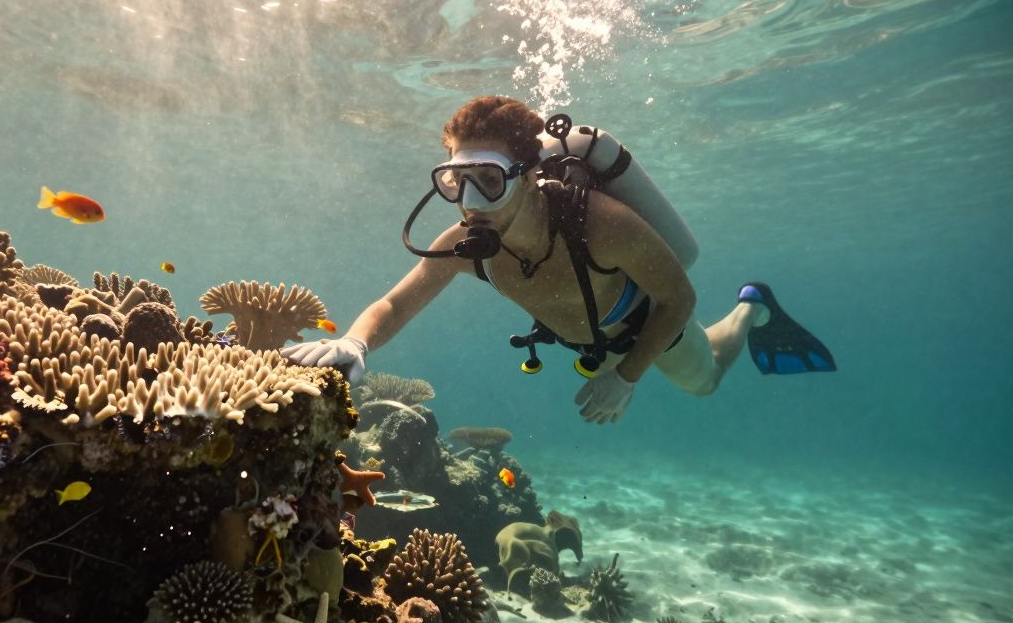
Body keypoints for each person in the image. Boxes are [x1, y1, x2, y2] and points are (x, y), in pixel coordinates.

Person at [282, 96, 834, 424]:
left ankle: (750, 309)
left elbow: (678, 297)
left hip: (648, 328)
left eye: (490, 181)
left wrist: (628, 375)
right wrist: (353, 341)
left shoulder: (600, 225)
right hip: (588, 338)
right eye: (456, 181)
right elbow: (395, 304)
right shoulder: (468, 239)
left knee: (705, 378)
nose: (471, 203)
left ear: (525, 177)